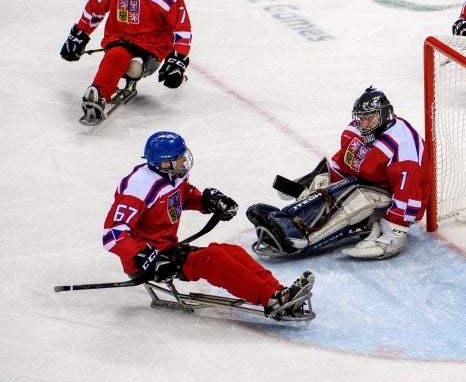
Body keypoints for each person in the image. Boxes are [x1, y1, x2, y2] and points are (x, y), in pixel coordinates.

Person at [102, 131, 315, 321]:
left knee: (231, 251)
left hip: (167, 249)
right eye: (179, 158)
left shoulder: (171, 177)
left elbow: (182, 198)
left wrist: (207, 202)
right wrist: (145, 258)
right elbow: (113, 235)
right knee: (214, 259)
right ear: (165, 163)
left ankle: (279, 293)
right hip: (149, 261)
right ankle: (271, 301)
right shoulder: (139, 188)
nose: (185, 160)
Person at [247, 86, 431, 260]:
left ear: (385, 114)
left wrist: (394, 228)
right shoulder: (355, 129)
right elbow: (346, 162)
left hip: (393, 201)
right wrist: (321, 185)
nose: (364, 123)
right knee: (331, 194)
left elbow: (408, 193)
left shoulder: (404, 144)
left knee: (356, 198)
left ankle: (297, 238)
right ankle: (286, 218)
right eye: (361, 118)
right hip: (362, 183)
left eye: (370, 118)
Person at [60, 0, 192, 123]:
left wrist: (177, 60)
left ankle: (107, 85)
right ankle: (97, 94)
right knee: (117, 58)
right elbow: (93, 13)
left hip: (152, 46)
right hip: (119, 40)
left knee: (135, 66)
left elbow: (182, 29)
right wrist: (77, 36)